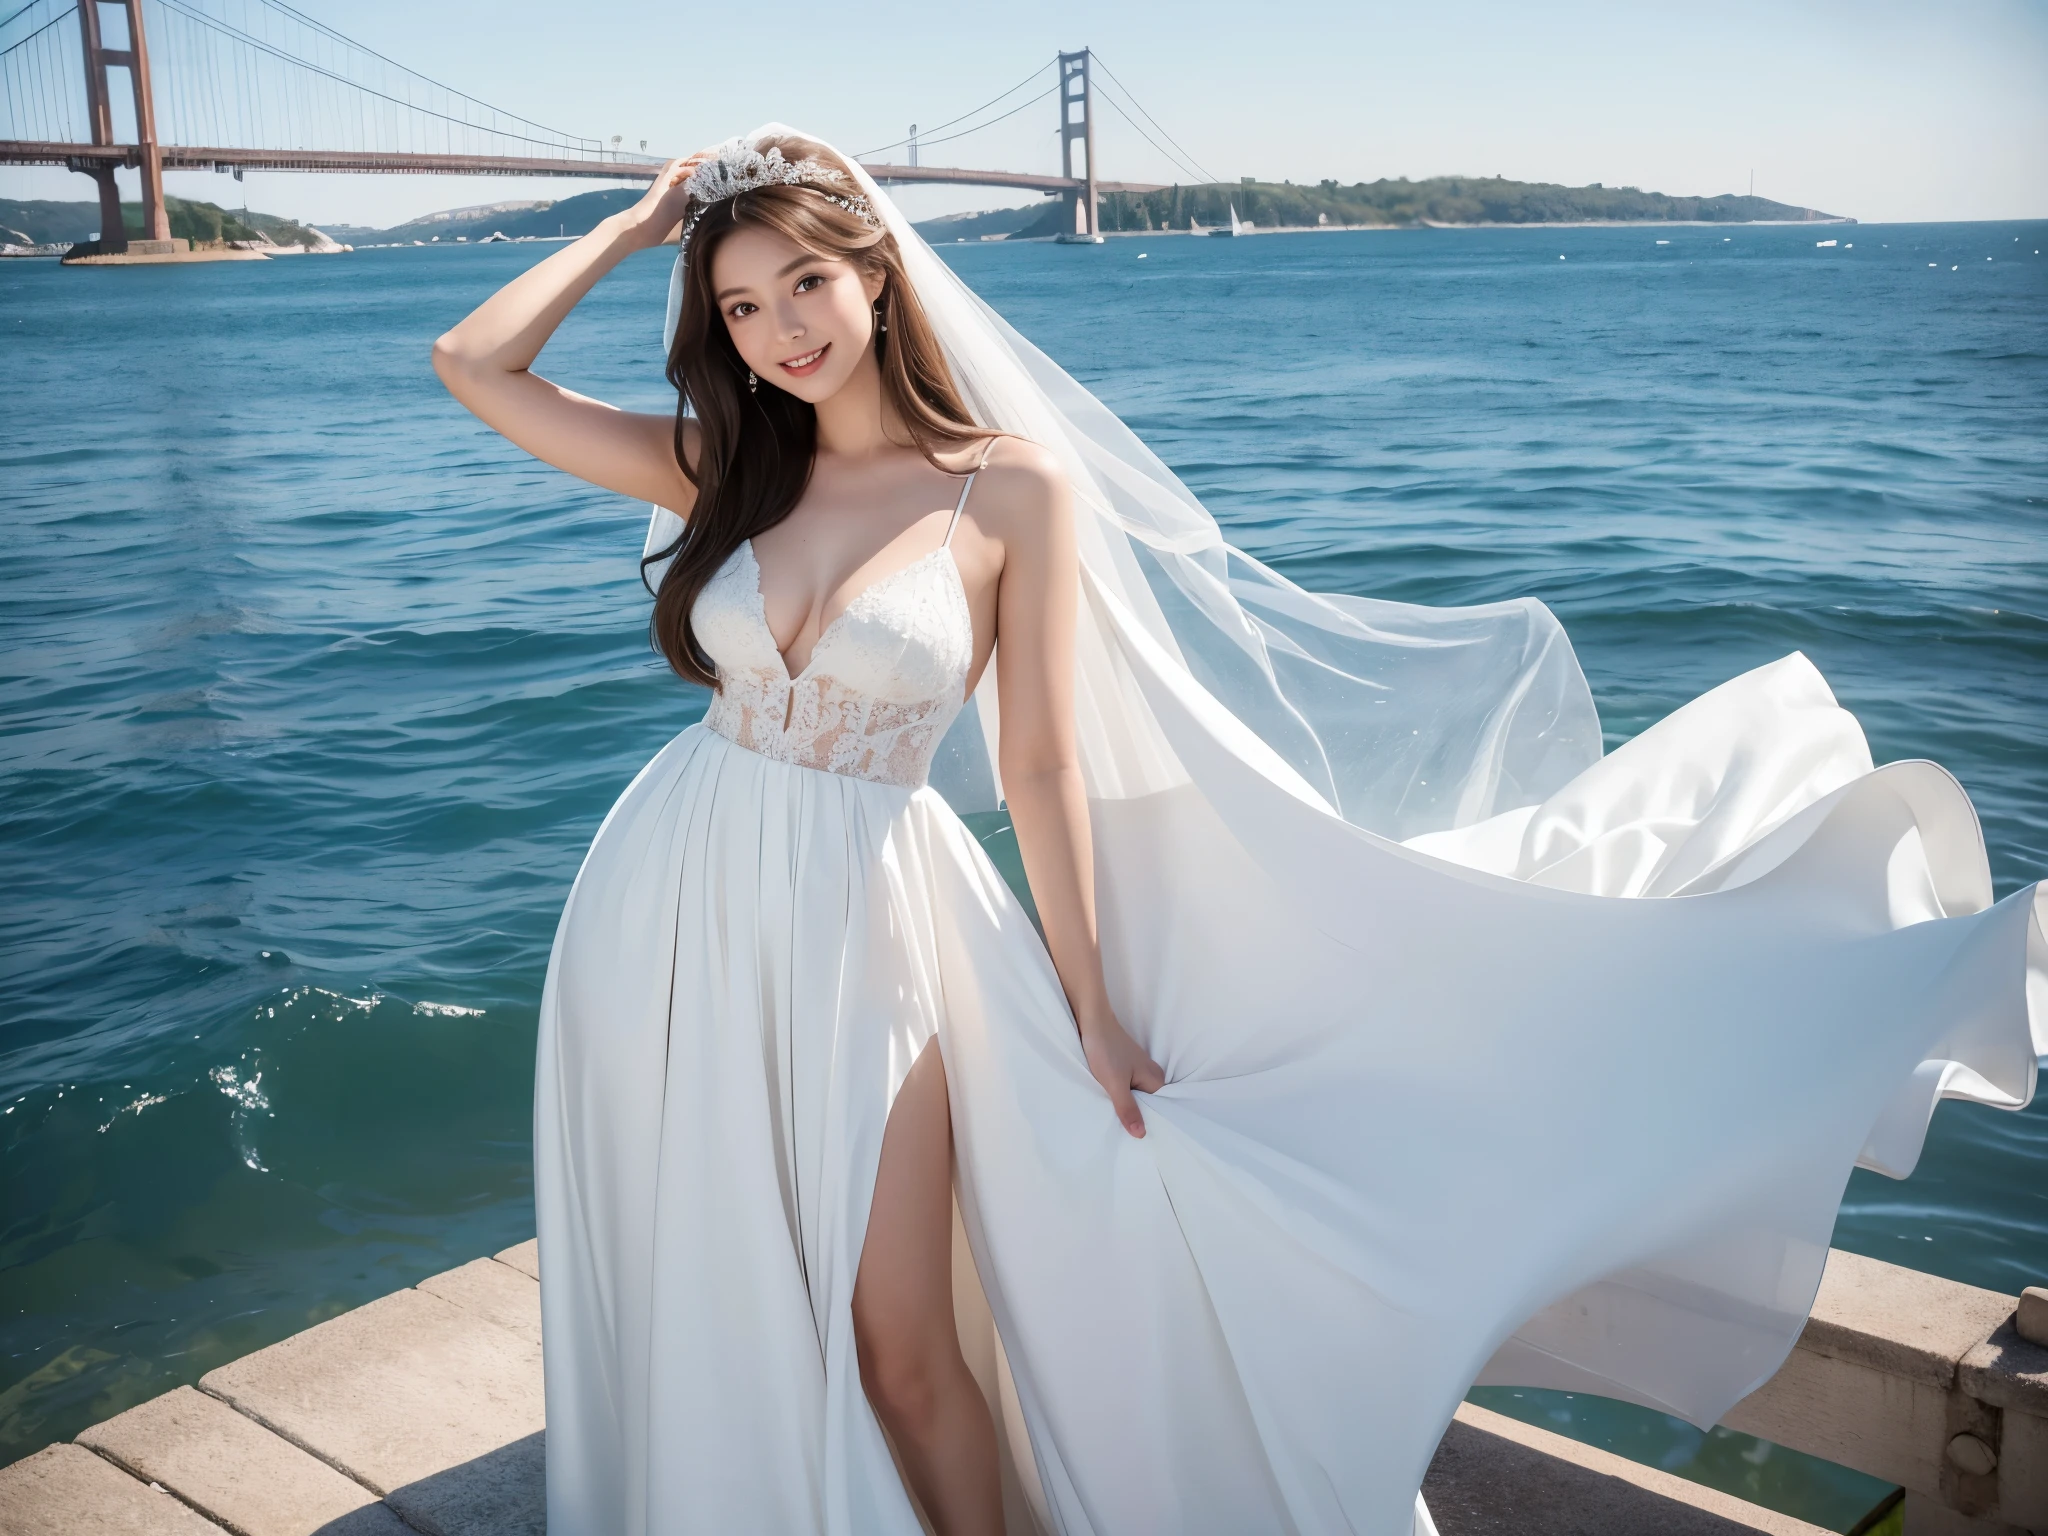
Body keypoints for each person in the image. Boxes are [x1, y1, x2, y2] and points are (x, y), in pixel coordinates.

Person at [432, 129, 2044, 1536]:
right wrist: (639, 226)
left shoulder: (1008, 493)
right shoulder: (722, 462)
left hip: (869, 916)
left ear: (873, 278)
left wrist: (1094, 1002)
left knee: (896, 1340)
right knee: (709, 1271)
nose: (777, 328)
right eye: (738, 305)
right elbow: (473, 368)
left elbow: (1047, 768)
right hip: (663, 904)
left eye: (802, 285)